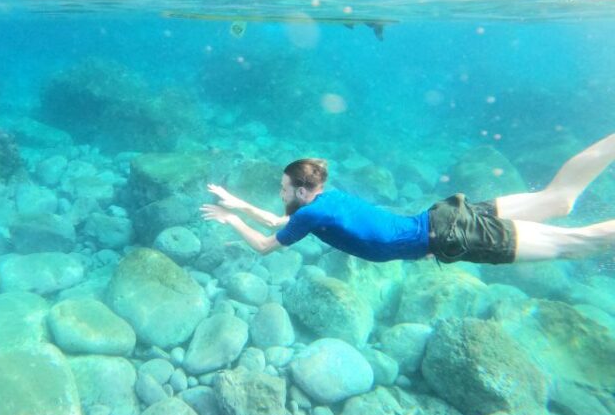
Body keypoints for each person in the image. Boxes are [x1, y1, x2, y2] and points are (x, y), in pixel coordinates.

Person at [200, 134, 615, 264]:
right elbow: (278, 222)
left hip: (454, 236)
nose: (281, 191)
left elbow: (263, 245)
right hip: (448, 217)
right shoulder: (324, 201)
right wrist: (235, 202)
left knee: (575, 245)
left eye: (285, 187)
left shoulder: (310, 215)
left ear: (304, 191)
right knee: (558, 200)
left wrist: (228, 219)